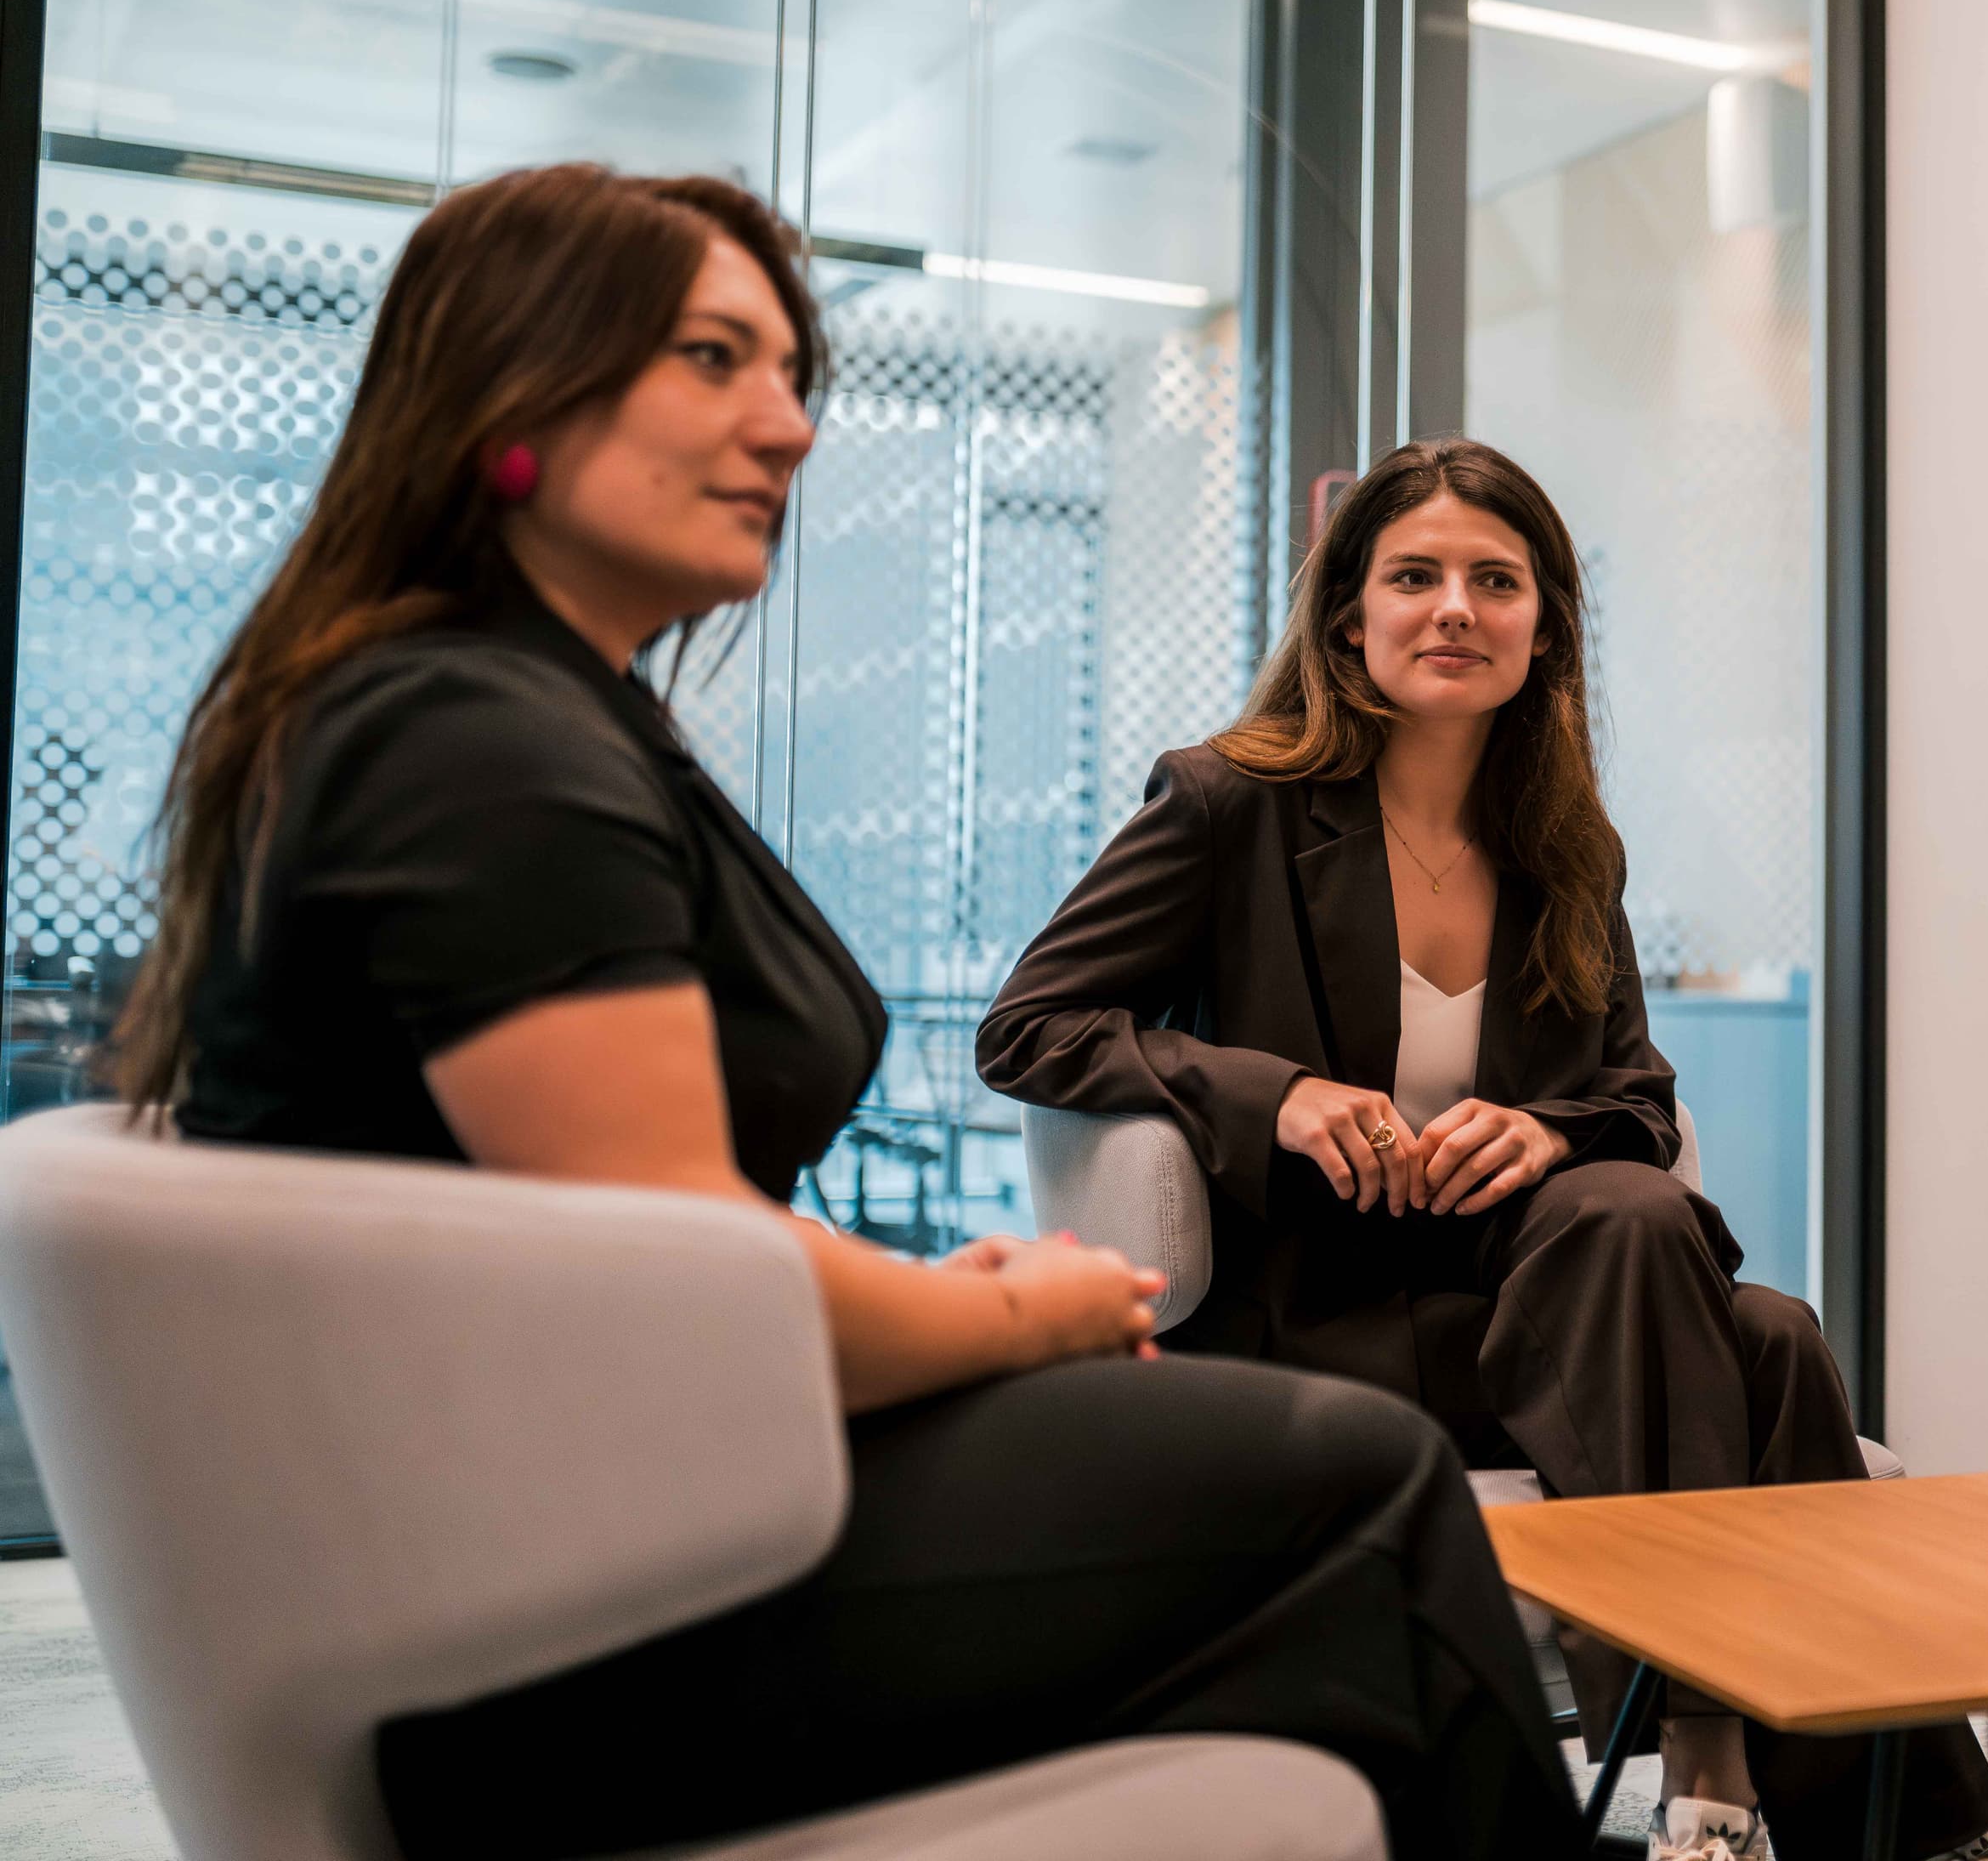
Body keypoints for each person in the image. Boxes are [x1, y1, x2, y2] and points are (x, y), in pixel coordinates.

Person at [112, 165, 1582, 1861]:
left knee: (1337, 1608)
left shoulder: (522, 712)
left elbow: (641, 1243)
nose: (790, 425)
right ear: (512, 381)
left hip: (581, 1528)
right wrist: (1015, 1312)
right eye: (716, 358)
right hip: (546, 1625)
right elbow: (669, 1273)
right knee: (1365, 1476)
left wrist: (925, 1296)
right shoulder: (477, 743)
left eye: (793, 372)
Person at [978, 437, 1988, 1861]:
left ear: (1545, 624)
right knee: (1768, 1339)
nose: (1455, 608)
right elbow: (1030, 1026)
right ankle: (1854, 1808)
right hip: (1319, 1332)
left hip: (1541, 1335)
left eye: (1495, 580)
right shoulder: (1228, 803)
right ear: (1351, 618)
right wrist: (1270, 1092)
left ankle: (1725, 1795)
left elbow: (1636, 1099)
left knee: (1634, 1223)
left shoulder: (1563, 844)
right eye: (1416, 577)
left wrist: (1538, 1126)